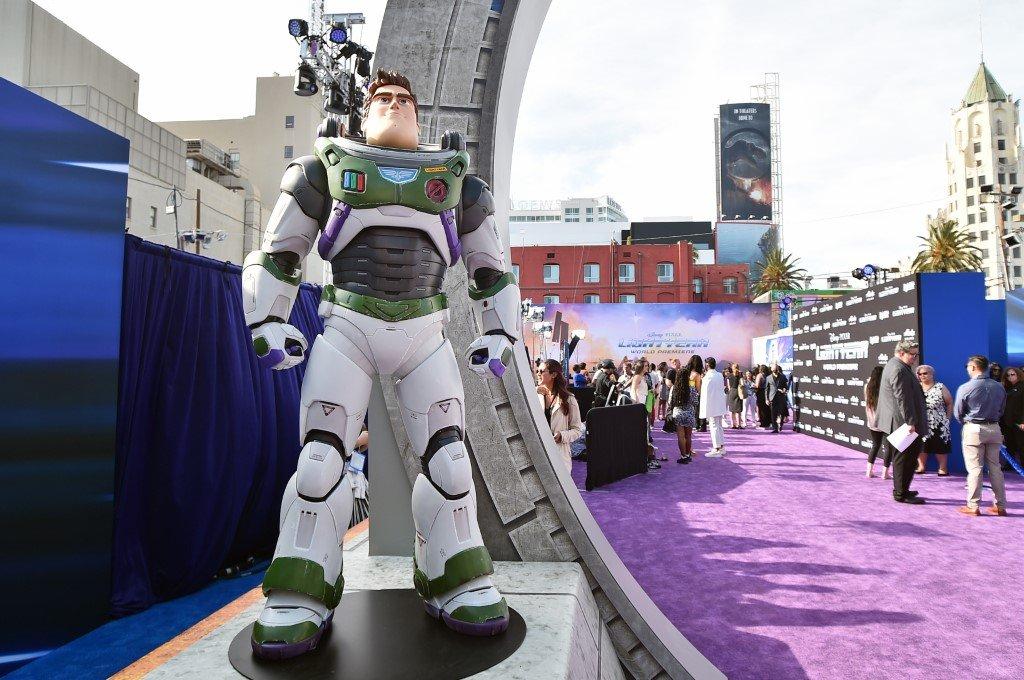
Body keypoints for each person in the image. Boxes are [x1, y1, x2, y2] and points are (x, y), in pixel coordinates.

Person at [242, 69, 517, 656]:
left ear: (420, 118)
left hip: (425, 332)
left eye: (403, 100)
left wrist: (501, 333)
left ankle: (455, 575)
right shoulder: (325, 170)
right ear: (362, 115)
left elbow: (490, 269)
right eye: (382, 99)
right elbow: (279, 252)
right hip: (347, 328)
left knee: (449, 460)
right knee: (319, 461)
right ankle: (301, 591)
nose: (393, 105)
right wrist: (268, 319)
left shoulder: (459, 183)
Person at [954, 355, 1008, 516]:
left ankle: (973, 505)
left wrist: (968, 423)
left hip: (974, 428)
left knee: (975, 469)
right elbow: (1002, 410)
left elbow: (958, 413)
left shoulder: (966, 387)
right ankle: (1000, 506)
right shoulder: (999, 387)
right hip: (994, 428)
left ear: (973, 367)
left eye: (968, 367)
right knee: (996, 469)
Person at [876, 339, 927, 505]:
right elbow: (902, 398)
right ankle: (900, 493)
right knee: (904, 459)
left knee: (908, 458)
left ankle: (903, 489)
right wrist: (910, 422)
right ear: (901, 353)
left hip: (900, 421)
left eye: (916, 354)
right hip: (901, 423)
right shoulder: (898, 369)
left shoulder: (897, 365)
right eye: (912, 354)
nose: (914, 358)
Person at [536, 359, 583, 471]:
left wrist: (562, 436)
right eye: (537, 370)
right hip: (538, 453)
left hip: (559, 455)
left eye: (541, 371)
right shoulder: (534, 396)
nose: (538, 373)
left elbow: (577, 430)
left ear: (554, 374)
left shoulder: (569, 399)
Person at [915, 364, 952, 476]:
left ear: (931, 374)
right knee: (922, 445)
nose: (922, 376)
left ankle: (943, 468)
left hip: (939, 422)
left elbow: (949, 403)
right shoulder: (916, 387)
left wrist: (947, 419)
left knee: (940, 445)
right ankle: (921, 466)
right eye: (920, 374)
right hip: (921, 422)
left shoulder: (940, 387)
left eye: (925, 373)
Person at [864, 365, 891, 479]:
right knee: (888, 447)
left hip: (872, 421)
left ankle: (868, 471)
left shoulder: (867, 386)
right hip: (886, 421)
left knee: (875, 445)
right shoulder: (887, 387)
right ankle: (885, 473)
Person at [700, 357, 728, 456]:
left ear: (707, 365)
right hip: (719, 404)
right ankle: (721, 447)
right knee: (719, 426)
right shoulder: (720, 375)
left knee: (714, 426)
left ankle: (716, 448)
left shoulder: (707, 377)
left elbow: (704, 394)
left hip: (712, 405)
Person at [669, 363, 697, 464]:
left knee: (680, 437)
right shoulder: (692, 389)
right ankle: (688, 454)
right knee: (688, 436)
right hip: (689, 413)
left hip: (678, 413)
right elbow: (695, 402)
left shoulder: (674, 388)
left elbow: (670, 402)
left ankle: (683, 456)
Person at [1000, 367, 1024, 470]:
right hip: (1007, 422)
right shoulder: (1006, 388)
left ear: (1018, 374)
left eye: (1012, 374)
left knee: (1022, 444)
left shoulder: (1022, 386)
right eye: (1008, 375)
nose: (1010, 377)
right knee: (1010, 444)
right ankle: (1010, 464)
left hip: (1019, 421)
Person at [765, 364, 789, 433]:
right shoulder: (768, 378)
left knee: (781, 412)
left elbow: (786, 386)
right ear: (771, 370)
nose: (774, 371)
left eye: (776, 369)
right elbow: (766, 389)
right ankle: (775, 427)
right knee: (773, 413)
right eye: (773, 369)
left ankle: (780, 425)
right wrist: (766, 399)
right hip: (772, 397)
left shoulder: (782, 376)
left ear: (777, 369)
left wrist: (784, 390)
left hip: (781, 397)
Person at [727, 363, 743, 428]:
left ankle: (733, 424)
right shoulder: (739, 375)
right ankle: (739, 424)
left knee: (731, 409)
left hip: (731, 392)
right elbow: (742, 384)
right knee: (738, 410)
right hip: (738, 391)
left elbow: (728, 386)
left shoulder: (729, 375)